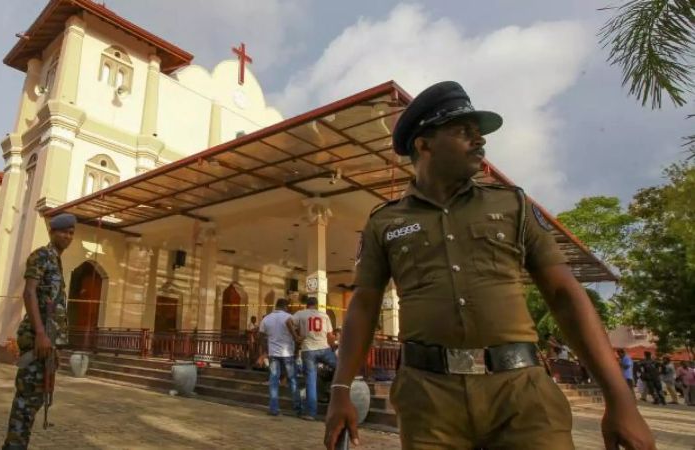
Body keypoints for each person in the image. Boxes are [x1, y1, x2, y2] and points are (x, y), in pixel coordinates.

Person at [324, 81, 655, 450]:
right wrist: (340, 390)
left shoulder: (514, 206)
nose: (479, 141)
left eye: (479, 134)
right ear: (424, 144)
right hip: (429, 403)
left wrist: (620, 399)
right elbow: (364, 307)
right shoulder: (384, 223)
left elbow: (564, 294)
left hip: (523, 399)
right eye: (463, 131)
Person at [4, 213, 75, 449]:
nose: (68, 236)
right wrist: (42, 334)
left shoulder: (56, 261)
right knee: (26, 400)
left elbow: (50, 303)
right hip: (37, 338)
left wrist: (53, 344)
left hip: (47, 340)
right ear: (52, 232)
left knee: (36, 399)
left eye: (71, 232)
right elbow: (29, 292)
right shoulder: (41, 256)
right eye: (64, 231)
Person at [293, 297, 337, 421]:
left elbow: (288, 322)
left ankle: (311, 413)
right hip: (324, 349)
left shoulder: (300, 314)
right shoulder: (324, 316)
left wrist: (296, 336)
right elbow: (330, 336)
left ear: (307, 305)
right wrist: (333, 348)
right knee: (341, 368)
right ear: (316, 305)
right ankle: (336, 392)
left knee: (310, 382)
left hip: (308, 350)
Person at [258, 298, 301, 417]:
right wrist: (297, 351)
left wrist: (264, 352)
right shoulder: (289, 317)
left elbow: (260, 337)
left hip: (273, 354)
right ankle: (297, 408)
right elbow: (296, 336)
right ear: (286, 306)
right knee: (292, 379)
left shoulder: (266, 318)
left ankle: (273, 408)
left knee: (273, 380)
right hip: (288, 353)